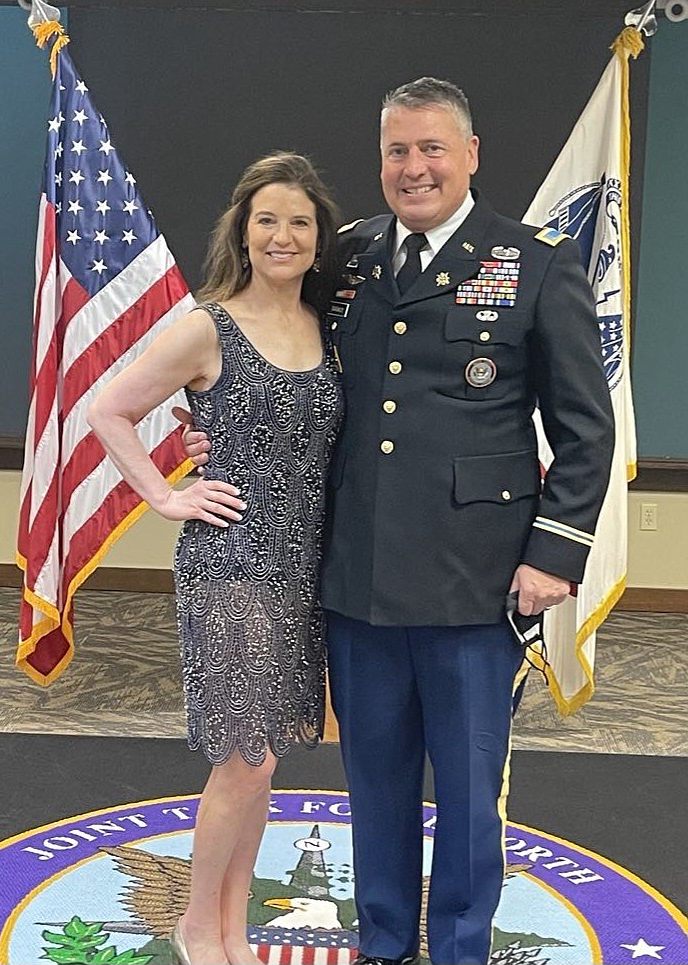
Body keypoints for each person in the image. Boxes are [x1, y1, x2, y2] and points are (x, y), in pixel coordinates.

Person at [183, 78, 615, 965]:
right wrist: (211, 425)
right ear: (379, 160)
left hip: (478, 575)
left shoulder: (534, 261)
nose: (413, 168)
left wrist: (554, 555)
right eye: (396, 151)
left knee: (464, 790)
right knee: (373, 781)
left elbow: (584, 427)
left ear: (471, 156)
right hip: (358, 572)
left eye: (431, 149)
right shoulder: (348, 256)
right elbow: (275, 351)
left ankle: (457, 946)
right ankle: (382, 937)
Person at [88, 152, 343, 965]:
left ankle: (234, 923)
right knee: (247, 754)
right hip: (230, 561)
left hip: (303, 567)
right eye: (267, 218)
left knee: (263, 759)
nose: (283, 234)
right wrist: (166, 496)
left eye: (299, 221)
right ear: (243, 228)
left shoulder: (325, 324)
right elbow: (109, 407)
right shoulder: (209, 324)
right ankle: (199, 922)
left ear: (316, 237)